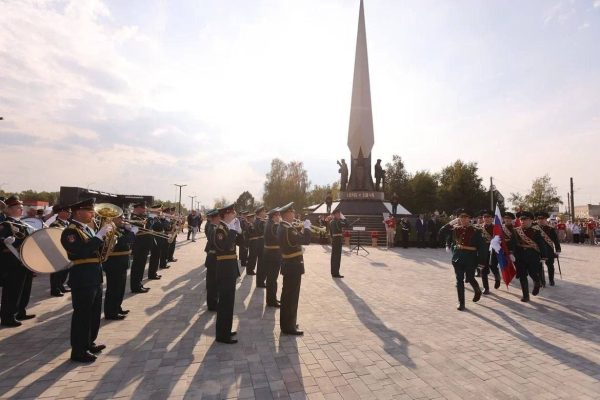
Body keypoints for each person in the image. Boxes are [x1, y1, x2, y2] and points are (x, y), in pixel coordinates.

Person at [60, 198, 112, 362]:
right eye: (89, 211)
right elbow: (81, 251)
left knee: (94, 313)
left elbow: (95, 250)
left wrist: (107, 239)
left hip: (94, 275)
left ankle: (89, 343)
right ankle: (78, 350)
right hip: (82, 277)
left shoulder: (87, 229)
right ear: (78, 212)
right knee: (82, 315)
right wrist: (99, 236)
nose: (92, 213)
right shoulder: (70, 232)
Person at [0, 195, 36, 327]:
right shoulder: (5, 225)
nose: (21, 210)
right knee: (12, 292)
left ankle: (21, 311)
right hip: (12, 264)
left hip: (24, 262)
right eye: (17, 208)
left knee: (24, 289)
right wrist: (5, 242)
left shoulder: (23, 223)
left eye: (21, 207)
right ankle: (7, 317)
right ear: (8, 210)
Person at [438, 209, 484, 311]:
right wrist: (452, 222)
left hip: (470, 258)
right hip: (458, 258)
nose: (463, 219)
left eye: (465, 217)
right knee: (459, 280)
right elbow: (441, 232)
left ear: (469, 219)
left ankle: (477, 290)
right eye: (461, 217)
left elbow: (482, 247)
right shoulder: (456, 229)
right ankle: (461, 303)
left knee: (470, 278)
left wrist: (481, 262)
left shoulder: (476, 231)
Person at [277, 203, 312, 335]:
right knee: (291, 297)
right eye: (292, 212)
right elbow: (306, 240)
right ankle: (289, 327)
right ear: (287, 214)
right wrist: (307, 228)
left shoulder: (284, 227)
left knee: (287, 297)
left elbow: (295, 241)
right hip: (293, 266)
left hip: (289, 265)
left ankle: (288, 323)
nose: (294, 214)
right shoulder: (288, 229)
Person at [209, 203, 240, 344]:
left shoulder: (228, 228)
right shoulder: (219, 230)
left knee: (229, 302)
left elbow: (243, 244)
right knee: (225, 303)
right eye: (231, 212)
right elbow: (225, 247)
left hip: (230, 268)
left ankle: (225, 330)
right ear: (224, 215)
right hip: (225, 269)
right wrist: (233, 231)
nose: (234, 214)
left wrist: (238, 231)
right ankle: (222, 335)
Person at [103, 214, 135, 320]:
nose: (122, 220)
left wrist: (126, 230)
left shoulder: (119, 229)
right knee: (113, 288)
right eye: (120, 218)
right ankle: (111, 312)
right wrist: (131, 231)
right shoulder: (110, 229)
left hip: (121, 262)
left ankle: (117, 307)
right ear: (113, 218)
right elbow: (123, 241)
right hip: (114, 263)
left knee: (120, 288)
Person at [513, 211, 547, 302]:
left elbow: (541, 244)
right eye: (521, 220)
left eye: (525, 219)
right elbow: (513, 244)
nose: (523, 221)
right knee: (522, 276)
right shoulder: (516, 230)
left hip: (533, 256)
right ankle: (525, 296)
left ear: (531, 220)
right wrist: (511, 253)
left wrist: (543, 257)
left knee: (533, 273)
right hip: (520, 257)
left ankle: (537, 282)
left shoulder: (536, 231)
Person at [129, 202, 152, 293]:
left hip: (143, 246)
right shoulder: (133, 218)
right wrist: (150, 218)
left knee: (141, 266)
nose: (144, 210)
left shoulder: (141, 217)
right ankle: (135, 286)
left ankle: (139, 284)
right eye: (143, 208)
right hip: (139, 246)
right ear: (137, 208)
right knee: (137, 267)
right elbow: (142, 226)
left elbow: (149, 227)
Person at [49, 204, 72, 297]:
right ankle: (55, 289)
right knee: (57, 271)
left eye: (70, 212)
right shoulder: (55, 224)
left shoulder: (68, 223)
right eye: (68, 212)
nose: (70, 214)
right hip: (57, 251)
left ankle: (61, 285)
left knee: (65, 270)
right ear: (61, 212)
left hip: (65, 250)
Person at [478, 210, 501, 294]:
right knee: (483, 269)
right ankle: (486, 288)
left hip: (493, 250)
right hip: (482, 251)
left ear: (492, 218)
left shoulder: (496, 227)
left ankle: (497, 277)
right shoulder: (479, 227)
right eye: (485, 217)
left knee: (493, 266)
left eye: (488, 217)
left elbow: (500, 239)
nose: (486, 219)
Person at [535, 212, 561, 287]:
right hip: (538, 250)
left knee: (550, 266)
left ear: (546, 220)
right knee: (539, 266)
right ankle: (542, 281)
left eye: (542, 219)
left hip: (549, 250)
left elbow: (556, 240)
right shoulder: (534, 229)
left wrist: (558, 250)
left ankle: (551, 280)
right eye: (539, 219)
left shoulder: (551, 229)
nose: (541, 221)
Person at [263, 207, 282, 307]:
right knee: (272, 279)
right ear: (274, 216)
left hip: (270, 254)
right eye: (278, 215)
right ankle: (271, 301)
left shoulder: (269, 223)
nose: (279, 217)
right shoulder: (273, 225)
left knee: (271, 279)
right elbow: (279, 237)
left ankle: (271, 299)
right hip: (273, 255)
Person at [204, 209, 220, 311]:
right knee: (213, 283)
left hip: (212, 257)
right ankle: (212, 305)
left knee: (212, 282)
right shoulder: (213, 228)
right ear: (216, 218)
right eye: (219, 217)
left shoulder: (212, 226)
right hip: (213, 258)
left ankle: (213, 303)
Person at [147, 204, 165, 280]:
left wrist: (163, 219)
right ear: (154, 210)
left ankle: (154, 272)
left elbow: (161, 227)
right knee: (154, 257)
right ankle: (151, 274)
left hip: (159, 239)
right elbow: (151, 228)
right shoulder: (151, 218)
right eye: (158, 210)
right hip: (154, 239)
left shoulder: (156, 218)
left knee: (157, 257)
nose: (160, 212)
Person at [329, 208, 347, 277]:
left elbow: (330, 233)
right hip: (337, 240)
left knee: (334, 257)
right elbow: (347, 224)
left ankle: (334, 272)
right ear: (335, 214)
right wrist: (344, 218)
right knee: (336, 257)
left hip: (335, 240)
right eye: (338, 214)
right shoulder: (336, 222)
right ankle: (335, 273)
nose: (340, 215)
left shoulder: (332, 222)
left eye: (340, 214)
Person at [254, 206, 267, 287]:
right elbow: (264, 232)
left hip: (259, 243)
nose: (265, 213)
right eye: (264, 211)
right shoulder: (260, 222)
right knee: (262, 264)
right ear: (260, 213)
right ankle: (260, 282)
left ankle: (260, 281)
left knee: (261, 263)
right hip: (261, 243)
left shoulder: (258, 221)